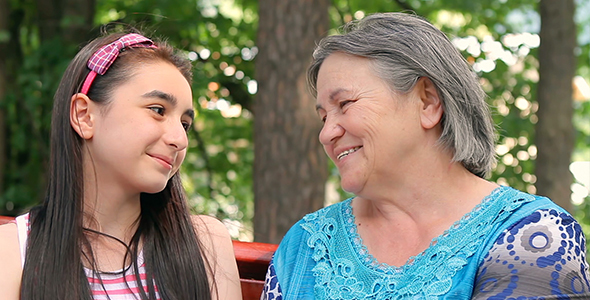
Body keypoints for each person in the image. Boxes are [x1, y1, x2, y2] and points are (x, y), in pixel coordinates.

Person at [262, 12, 590, 299]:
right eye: (323, 117)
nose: (326, 133)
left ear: (427, 102)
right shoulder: (305, 245)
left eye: (345, 104)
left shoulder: (534, 235)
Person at [0, 31, 242, 299]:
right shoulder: (13, 252)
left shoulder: (205, 244)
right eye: (158, 110)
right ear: (84, 116)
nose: (180, 139)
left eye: (185, 124)